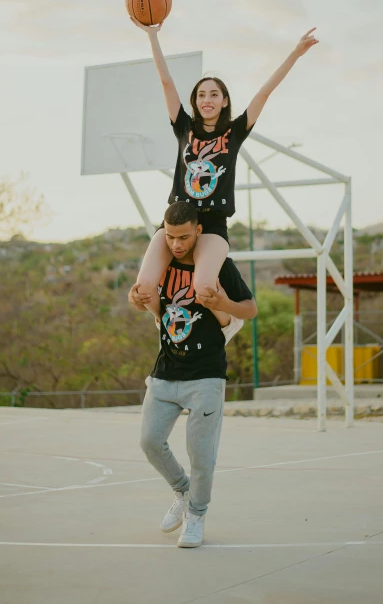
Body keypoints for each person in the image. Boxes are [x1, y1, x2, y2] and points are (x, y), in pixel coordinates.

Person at [130, 15, 318, 309]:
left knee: (204, 288)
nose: (208, 99)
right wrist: (152, 35)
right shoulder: (184, 127)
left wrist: (295, 53)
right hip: (178, 219)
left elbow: (265, 92)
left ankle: (227, 321)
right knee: (142, 288)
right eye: (201, 94)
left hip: (213, 222)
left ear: (224, 101)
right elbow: (166, 82)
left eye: (214, 94)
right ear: (195, 101)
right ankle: (161, 319)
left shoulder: (235, 131)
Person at [128, 201, 257, 548]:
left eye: (184, 237)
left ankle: (197, 515)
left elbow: (250, 309)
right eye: (169, 237)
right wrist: (137, 298)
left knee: (201, 455)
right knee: (149, 442)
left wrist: (221, 304)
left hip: (206, 376)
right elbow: (153, 306)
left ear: (199, 231)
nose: (176, 245)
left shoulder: (218, 266)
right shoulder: (161, 266)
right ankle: (182, 493)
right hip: (166, 371)